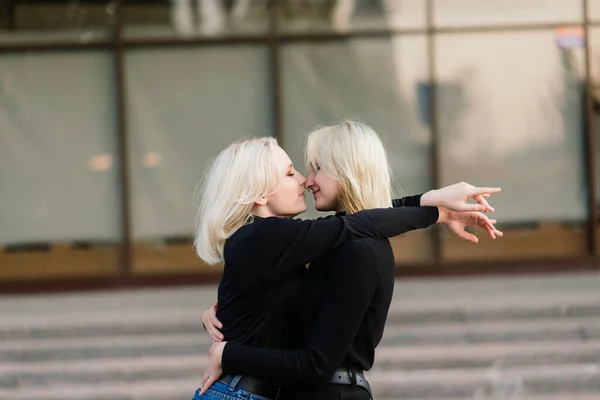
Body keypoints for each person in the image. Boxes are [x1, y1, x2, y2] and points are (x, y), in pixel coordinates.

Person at [193, 130, 501, 400]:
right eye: (290, 173)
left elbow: (358, 222)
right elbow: (356, 224)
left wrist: (431, 202)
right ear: (260, 192)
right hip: (241, 392)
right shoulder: (264, 236)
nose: (303, 179)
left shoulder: (284, 241)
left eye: (314, 169)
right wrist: (436, 211)